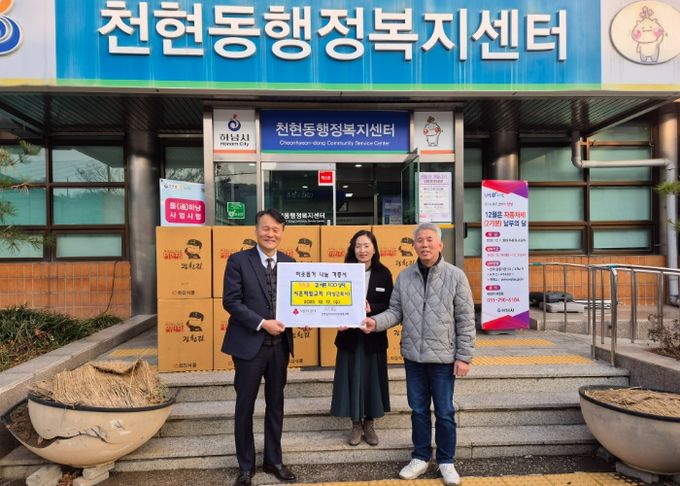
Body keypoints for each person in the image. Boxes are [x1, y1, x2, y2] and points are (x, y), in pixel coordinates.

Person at [362, 222, 475, 486]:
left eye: (429, 240)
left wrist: (464, 356)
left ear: (440, 244)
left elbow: (466, 319)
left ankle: (446, 461)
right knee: (418, 410)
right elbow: (395, 311)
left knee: (444, 411)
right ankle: (421, 457)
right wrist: (375, 322)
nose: (424, 245)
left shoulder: (456, 276)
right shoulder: (405, 277)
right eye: (420, 241)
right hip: (413, 357)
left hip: (444, 358)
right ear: (414, 246)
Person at [222, 209, 297, 486]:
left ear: (282, 232)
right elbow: (231, 301)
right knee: (245, 405)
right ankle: (245, 466)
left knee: (276, 404)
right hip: (248, 347)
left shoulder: (290, 263)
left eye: (276, 229)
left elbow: (300, 301)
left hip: (279, 348)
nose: (270, 234)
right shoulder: (238, 261)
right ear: (256, 230)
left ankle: (274, 460)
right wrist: (262, 323)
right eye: (266, 228)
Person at [331, 230, 393, 446]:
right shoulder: (342, 272)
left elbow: (390, 305)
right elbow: (332, 301)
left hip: (373, 337)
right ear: (352, 248)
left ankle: (369, 424)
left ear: (374, 249)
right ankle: (356, 424)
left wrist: (371, 307)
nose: (362, 250)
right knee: (352, 380)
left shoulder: (384, 273)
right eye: (358, 246)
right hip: (350, 338)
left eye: (367, 245)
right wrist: (336, 316)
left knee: (372, 381)